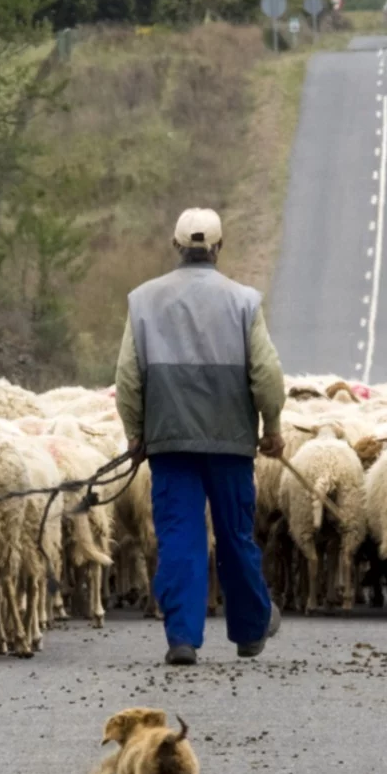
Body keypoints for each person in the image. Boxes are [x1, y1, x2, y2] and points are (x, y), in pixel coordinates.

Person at [116, 207, 286, 666]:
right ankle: (250, 630)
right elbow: (266, 373)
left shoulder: (144, 300)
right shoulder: (244, 300)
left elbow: (128, 377)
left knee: (179, 535)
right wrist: (271, 428)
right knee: (235, 533)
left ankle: (183, 638)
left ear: (176, 247)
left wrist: (135, 433)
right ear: (219, 247)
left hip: (169, 443)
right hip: (230, 442)